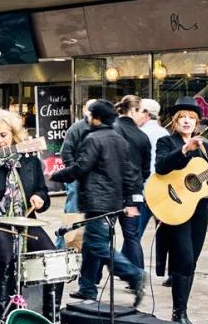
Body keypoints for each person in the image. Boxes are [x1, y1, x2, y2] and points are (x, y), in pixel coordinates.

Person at [0, 109, 60, 323]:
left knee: (53, 257)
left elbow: (43, 191)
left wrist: (39, 198)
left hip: (24, 222)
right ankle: (0, 317)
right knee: (4, 257)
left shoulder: (29, 159)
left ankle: (52, 317)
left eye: (3, 135)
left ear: (14, 134)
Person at [51, 100, 146, 307]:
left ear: (96, 118)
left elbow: (82, 166)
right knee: (91, 245)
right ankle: (87, 287)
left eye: (90, 115)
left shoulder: (94, 138)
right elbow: (130, 172)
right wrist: (129, 200)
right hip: (112, 201)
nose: (88, 118)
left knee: (97, 244)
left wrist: (57, 176)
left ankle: (133, 274)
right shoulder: (118, 138)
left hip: (96, 201)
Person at [152, 97, 208, 323]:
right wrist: (185, 149)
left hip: (198, 209)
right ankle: (179, 313)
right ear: (175, 122)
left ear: (197, 123)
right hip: (176, 208)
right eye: (182, 118)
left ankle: (181, 310)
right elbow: (162, 167)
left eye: (191, 118)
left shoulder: (204, 145)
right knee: (183, 258)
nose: (187, 122)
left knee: (191, 260)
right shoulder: (167, 142)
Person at [113, 95, 150, 270]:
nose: (144, 115)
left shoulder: (111, 130)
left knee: (102, 237)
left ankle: (91, 284)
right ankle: (138, 276)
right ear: (133, 110)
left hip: (111, 192)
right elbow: (146, 170)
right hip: (134, 193)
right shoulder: (142, 136)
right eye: (142, 110)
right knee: (132, 236)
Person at [56, 99, 95, 248]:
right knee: (72, 213)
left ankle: (83, 245)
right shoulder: (76, 128)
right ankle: (61, 247)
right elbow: (65, 152)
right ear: (84, 109)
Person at [137, 98, 167, 235]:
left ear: (146, 113)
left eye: (138, 110)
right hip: (161, 190)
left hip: (143, 190)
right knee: (161, 236)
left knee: (134, 236)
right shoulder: (165, 133)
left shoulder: (140, 134)